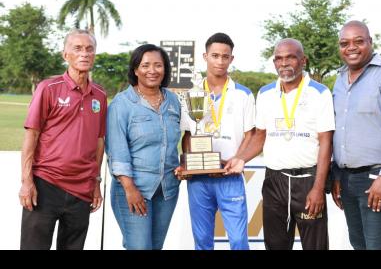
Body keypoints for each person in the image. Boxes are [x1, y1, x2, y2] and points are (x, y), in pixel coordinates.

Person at [225, 38, 334, 250]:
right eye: (279, 59)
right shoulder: (265, 94)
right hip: (274, 181)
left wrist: (318, 188)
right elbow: (260, 136)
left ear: (303, 60)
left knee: (316, 246)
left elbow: (326, 142)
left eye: (290, 57)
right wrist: (241, 159)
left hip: (308, 181)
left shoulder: (320, 93)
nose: (284, 63)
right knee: (275, 246)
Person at [330, 20, 381, 250]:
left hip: (379, 178)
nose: (351, 47)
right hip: (347, 180)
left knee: (378, 246)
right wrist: (336, 174)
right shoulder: (339, 79)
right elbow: (339, 131)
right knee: (358, 244)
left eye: (359, 41)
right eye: (344, 43)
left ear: (370, 42)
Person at [19, 29, 107, 250]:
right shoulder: (48, 88)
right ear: (65, 54)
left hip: (81, 190)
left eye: (89, 49)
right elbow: (32, 135)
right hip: (45, 184)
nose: (84, 54)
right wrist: (27, 182)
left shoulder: (100, 95)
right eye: (77, 48)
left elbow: (99, 140)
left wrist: (95, 182)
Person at [176, 32, 255, 250]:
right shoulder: (191, 94)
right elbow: (188, 135)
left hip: (229, 175)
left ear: (231, 59)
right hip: (199, 178)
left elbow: (251, 134)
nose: (220, 61)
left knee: (239, 241)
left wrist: (239, 159)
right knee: (202, 241)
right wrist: (188, 163)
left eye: (225, 56)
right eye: (215, 55)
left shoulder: (243, 94)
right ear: (205, 56)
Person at [105, 44, 181, 250]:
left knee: (155, 247)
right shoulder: (121, 104)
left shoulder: (173, 101)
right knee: (139, 247)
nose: (152, 70)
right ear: (135, 70)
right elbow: (117, 151)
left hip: (167, 190)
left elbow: (175, 143)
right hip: (133, 189)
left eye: (158, 65)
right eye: (145, 65)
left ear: (165, 69)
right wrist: (130, 189)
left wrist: (184, 166)